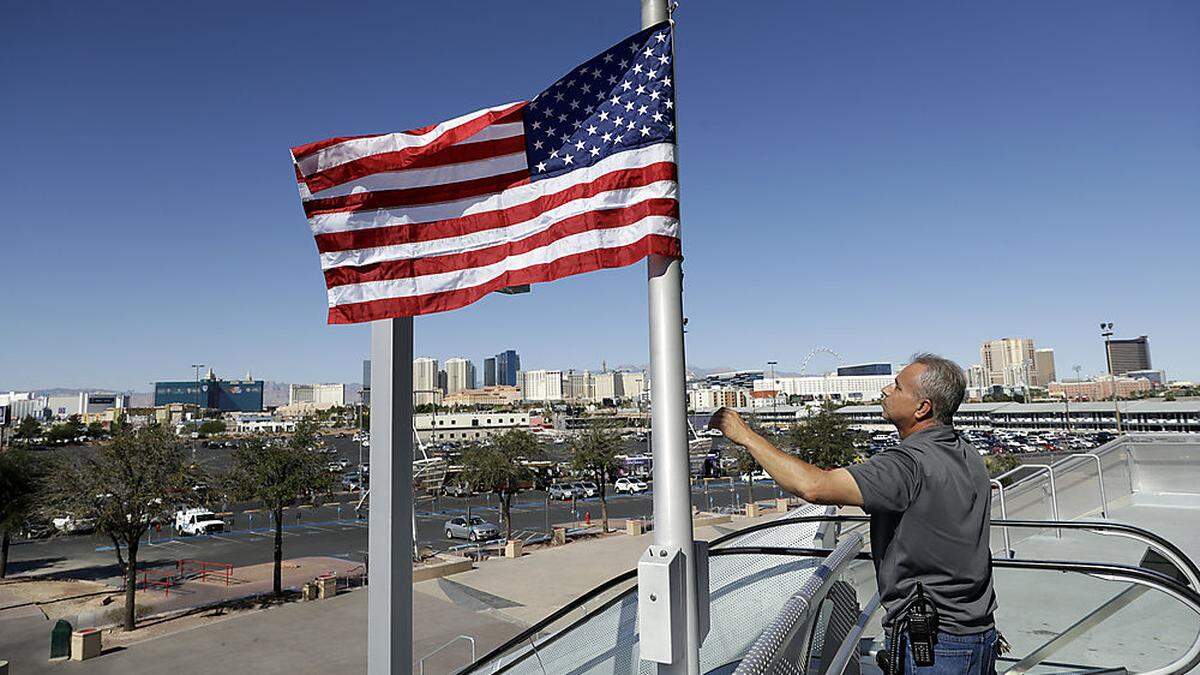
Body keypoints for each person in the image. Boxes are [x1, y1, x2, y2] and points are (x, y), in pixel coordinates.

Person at [709, 353, 997, 674]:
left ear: (922, 408)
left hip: (935, 644)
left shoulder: (907, 463)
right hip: (976, 633)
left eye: (898, 387)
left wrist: (745, 435)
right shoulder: (964, 451)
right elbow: (926, 506)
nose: (887, 390)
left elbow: (813, 487)